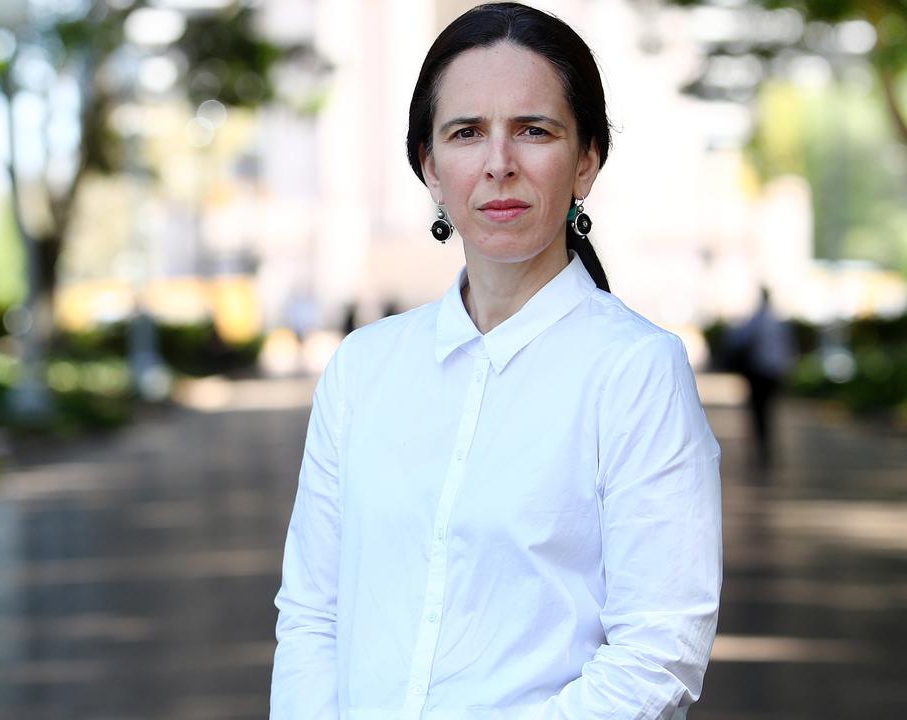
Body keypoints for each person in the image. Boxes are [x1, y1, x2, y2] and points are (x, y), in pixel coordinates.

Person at [270, 4, 722, 719]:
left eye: (533, 130)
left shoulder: (635, 372)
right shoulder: (363, 369)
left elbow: (656, 654)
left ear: (585, 162)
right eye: (467, 132)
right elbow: (312, 617)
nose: (498, 163)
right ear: (430, 167)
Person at [724, 287, 794, 467]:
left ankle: (762, 447)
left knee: (758, 411)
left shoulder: (757, 320)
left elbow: (738, 340)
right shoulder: (776, 322)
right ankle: (765, 447)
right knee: (766, 410)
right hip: (771, 372)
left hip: (758, 372)